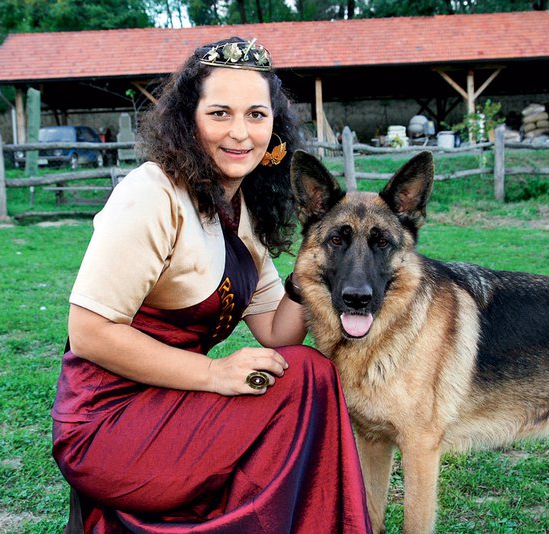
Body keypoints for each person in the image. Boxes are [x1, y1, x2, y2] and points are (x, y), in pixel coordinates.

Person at [50, 36, 372, 533]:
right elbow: (89, 333)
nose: (240, 133)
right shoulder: (151, 194)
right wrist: (215, 373)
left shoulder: (246, 212)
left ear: (274, 128)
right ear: (189, 121)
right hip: (107, 419)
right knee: (307, 377)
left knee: (306, 371)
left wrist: (312, 269)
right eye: (220, 113)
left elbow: (278, 334)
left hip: (177, 400)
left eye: (256, 115)